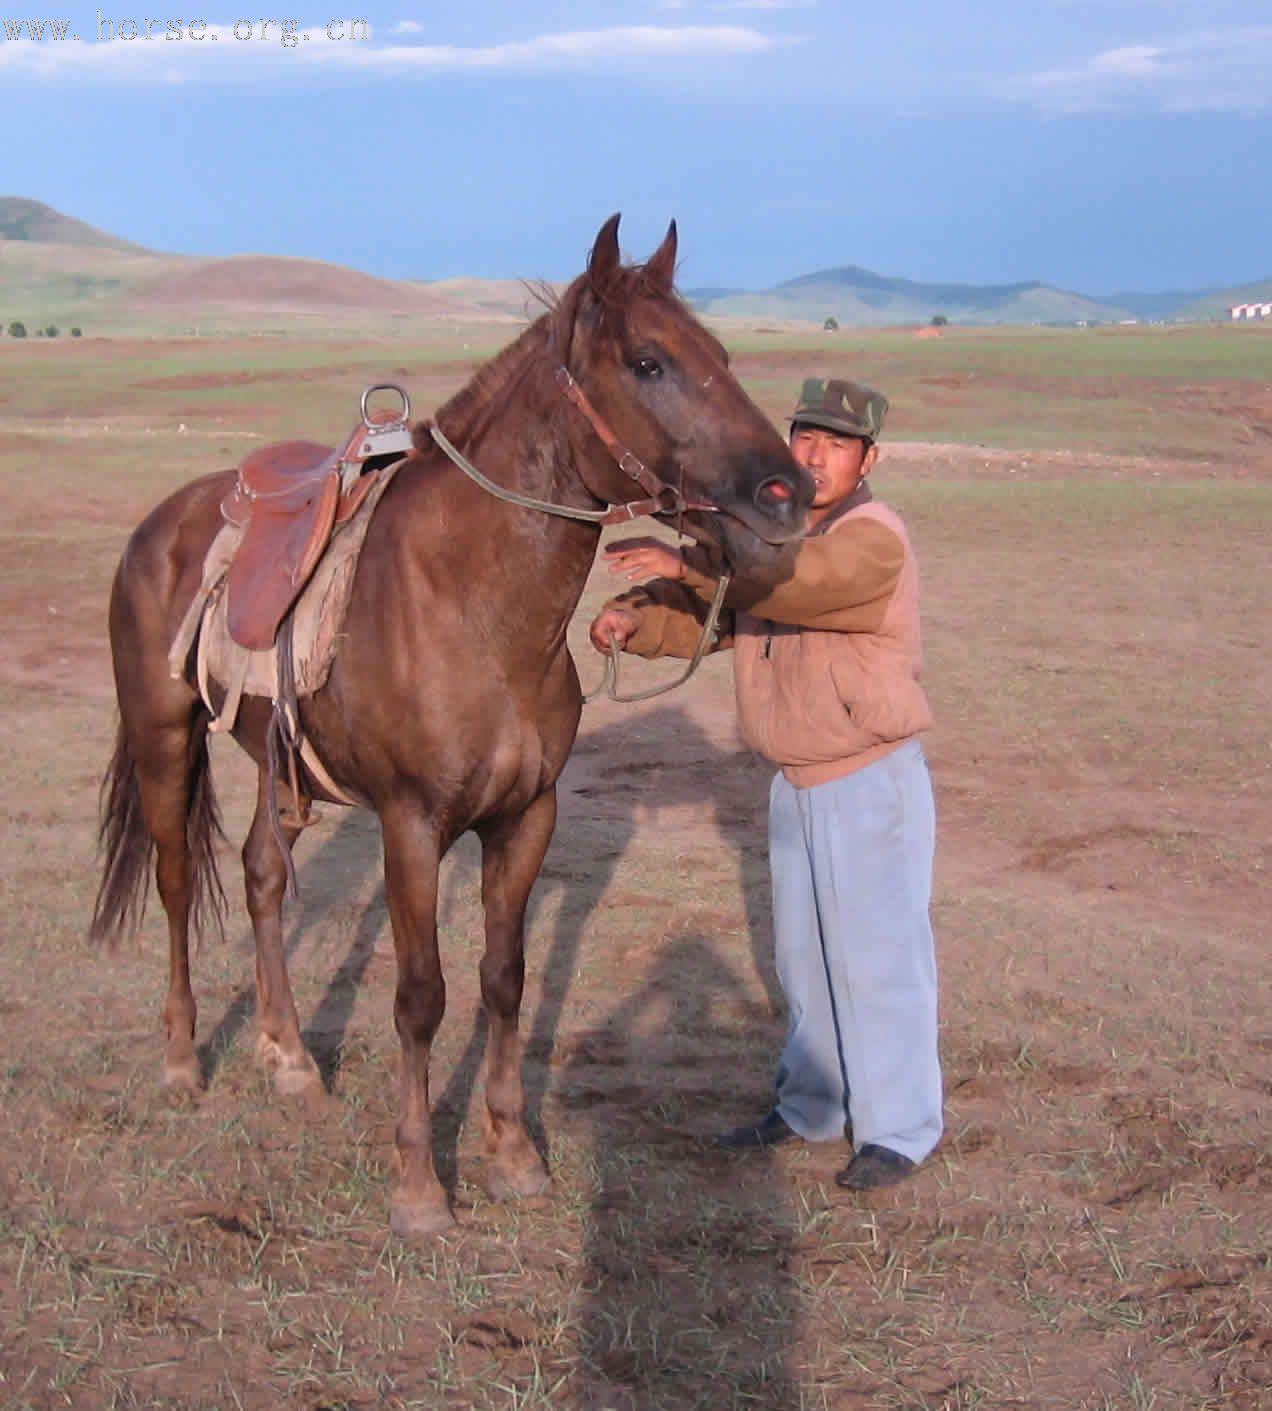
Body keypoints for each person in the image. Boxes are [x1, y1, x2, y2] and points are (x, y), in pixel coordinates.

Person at [588, 377, 941, 1190]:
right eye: (806, 438)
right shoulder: (773, 537)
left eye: (838, 443)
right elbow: (723, 609)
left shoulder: (872, 536)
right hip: (794, 780)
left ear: (869, 458)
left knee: (879, 957)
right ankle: (814, 1105)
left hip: (866, 776)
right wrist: (638, 621)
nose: (817, 454)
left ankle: (899, 1126)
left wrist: (688, 560)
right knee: (806, 959)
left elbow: (795, 588)